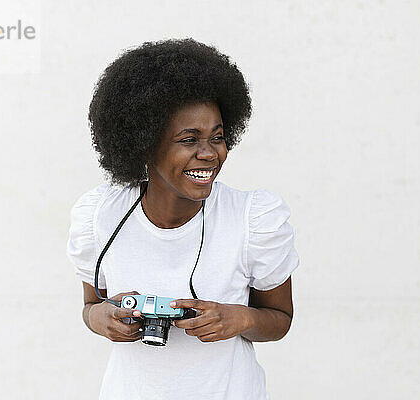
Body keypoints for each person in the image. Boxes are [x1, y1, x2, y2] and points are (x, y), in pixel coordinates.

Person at [66, 38, 299, 400]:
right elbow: (91, 307)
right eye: (189, 139)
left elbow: (279, 319)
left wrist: (241, 318)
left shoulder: (254, 219)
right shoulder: (100, 216)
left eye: (218, 137)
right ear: (144, 144)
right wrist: (100, 319)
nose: (209, 154)